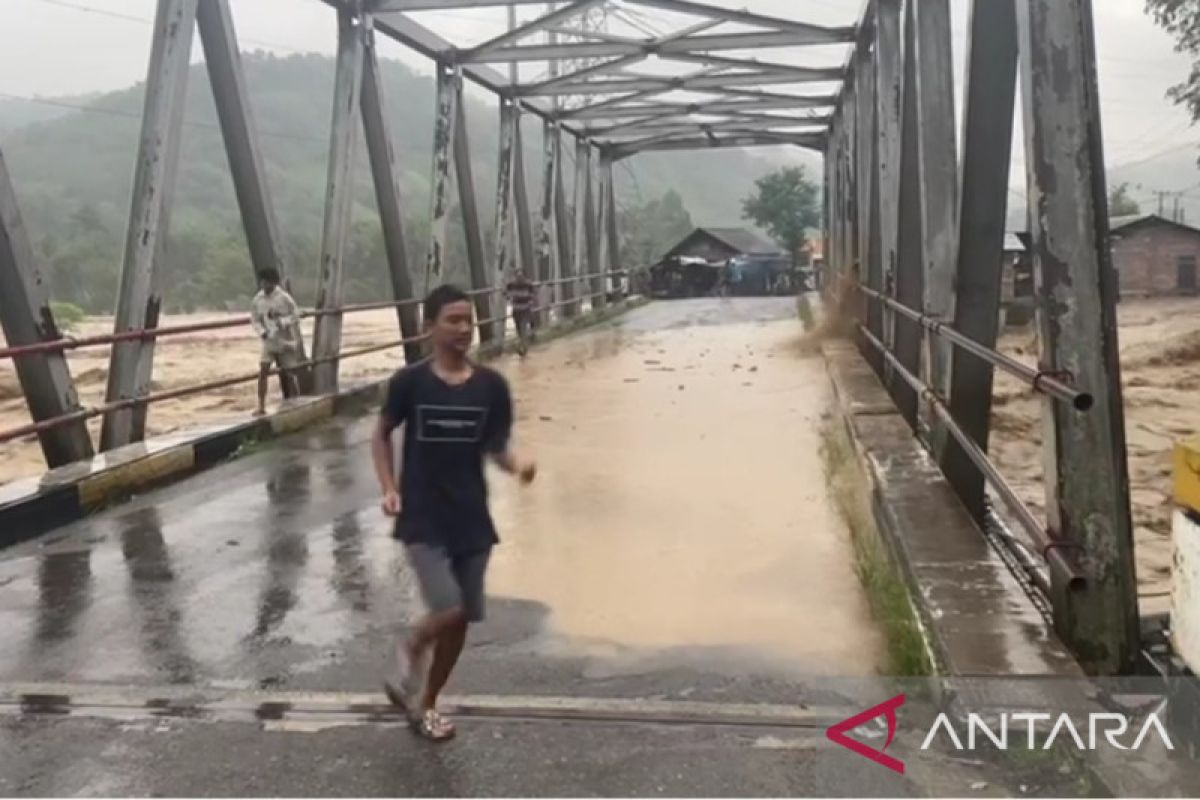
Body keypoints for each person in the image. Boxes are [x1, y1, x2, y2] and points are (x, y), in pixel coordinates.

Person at [372, 284, 537, 742]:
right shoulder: (410, 383)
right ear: (429, 326)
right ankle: (412, 645)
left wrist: (516, 464)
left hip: (472, 517)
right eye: (453, 320)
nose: (464, 328)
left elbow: (495, 446)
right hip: (423, 515)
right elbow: (382, 434)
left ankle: (425, 704)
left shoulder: (491, 387)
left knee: (462, 620)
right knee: (448, 607)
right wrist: (388, 487)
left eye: (469, 320)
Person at [250, 268, 300, 416]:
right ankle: (261, 406)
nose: (264, 285)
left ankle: (297, 402)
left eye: (267, 282)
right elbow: (254, 319)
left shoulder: (284, 298)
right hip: (269, 340)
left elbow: (296, 314)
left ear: (273, 282)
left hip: (285, 339)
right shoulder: (257, 300)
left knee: (290, 373)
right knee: (263, 371)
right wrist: (262, 332)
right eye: (262, 282)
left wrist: (284, 322)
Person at [505, 269, 536, 357]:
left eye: (521, 276)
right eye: (518, 276)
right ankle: (523, 346)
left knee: (523, 329)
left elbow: (533, 293)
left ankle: (523, 348)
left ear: (524, 277)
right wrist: (509, 297)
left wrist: (531, 301)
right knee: (519, 330)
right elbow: (505, 292)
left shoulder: (529, 284)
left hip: (525, 310)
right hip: (516, 310)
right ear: (515, 277)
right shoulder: (511, 284)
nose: (519, 278)